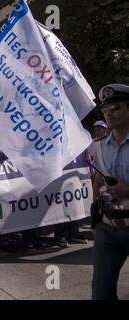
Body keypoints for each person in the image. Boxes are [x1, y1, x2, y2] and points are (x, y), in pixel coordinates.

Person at [91, 83, 129, 300]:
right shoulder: (99, 146)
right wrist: (99, 204)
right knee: (101, 292)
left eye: (115, 108)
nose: (109, 114)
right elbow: (97, 180)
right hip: (108, 227)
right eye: (106, 110)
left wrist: (127, 190)